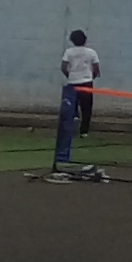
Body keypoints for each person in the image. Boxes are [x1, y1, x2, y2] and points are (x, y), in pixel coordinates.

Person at [52, 30, 103, 175]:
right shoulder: (91, 52)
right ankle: (84, 131)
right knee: (87, 107)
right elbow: (96, 68)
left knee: (71, 106)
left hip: (73, 81)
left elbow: (63, 67)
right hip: (86, 82)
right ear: (85, 40)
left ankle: (71, 128)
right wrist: (91, 76)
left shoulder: (69, 52)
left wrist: (70, 75)